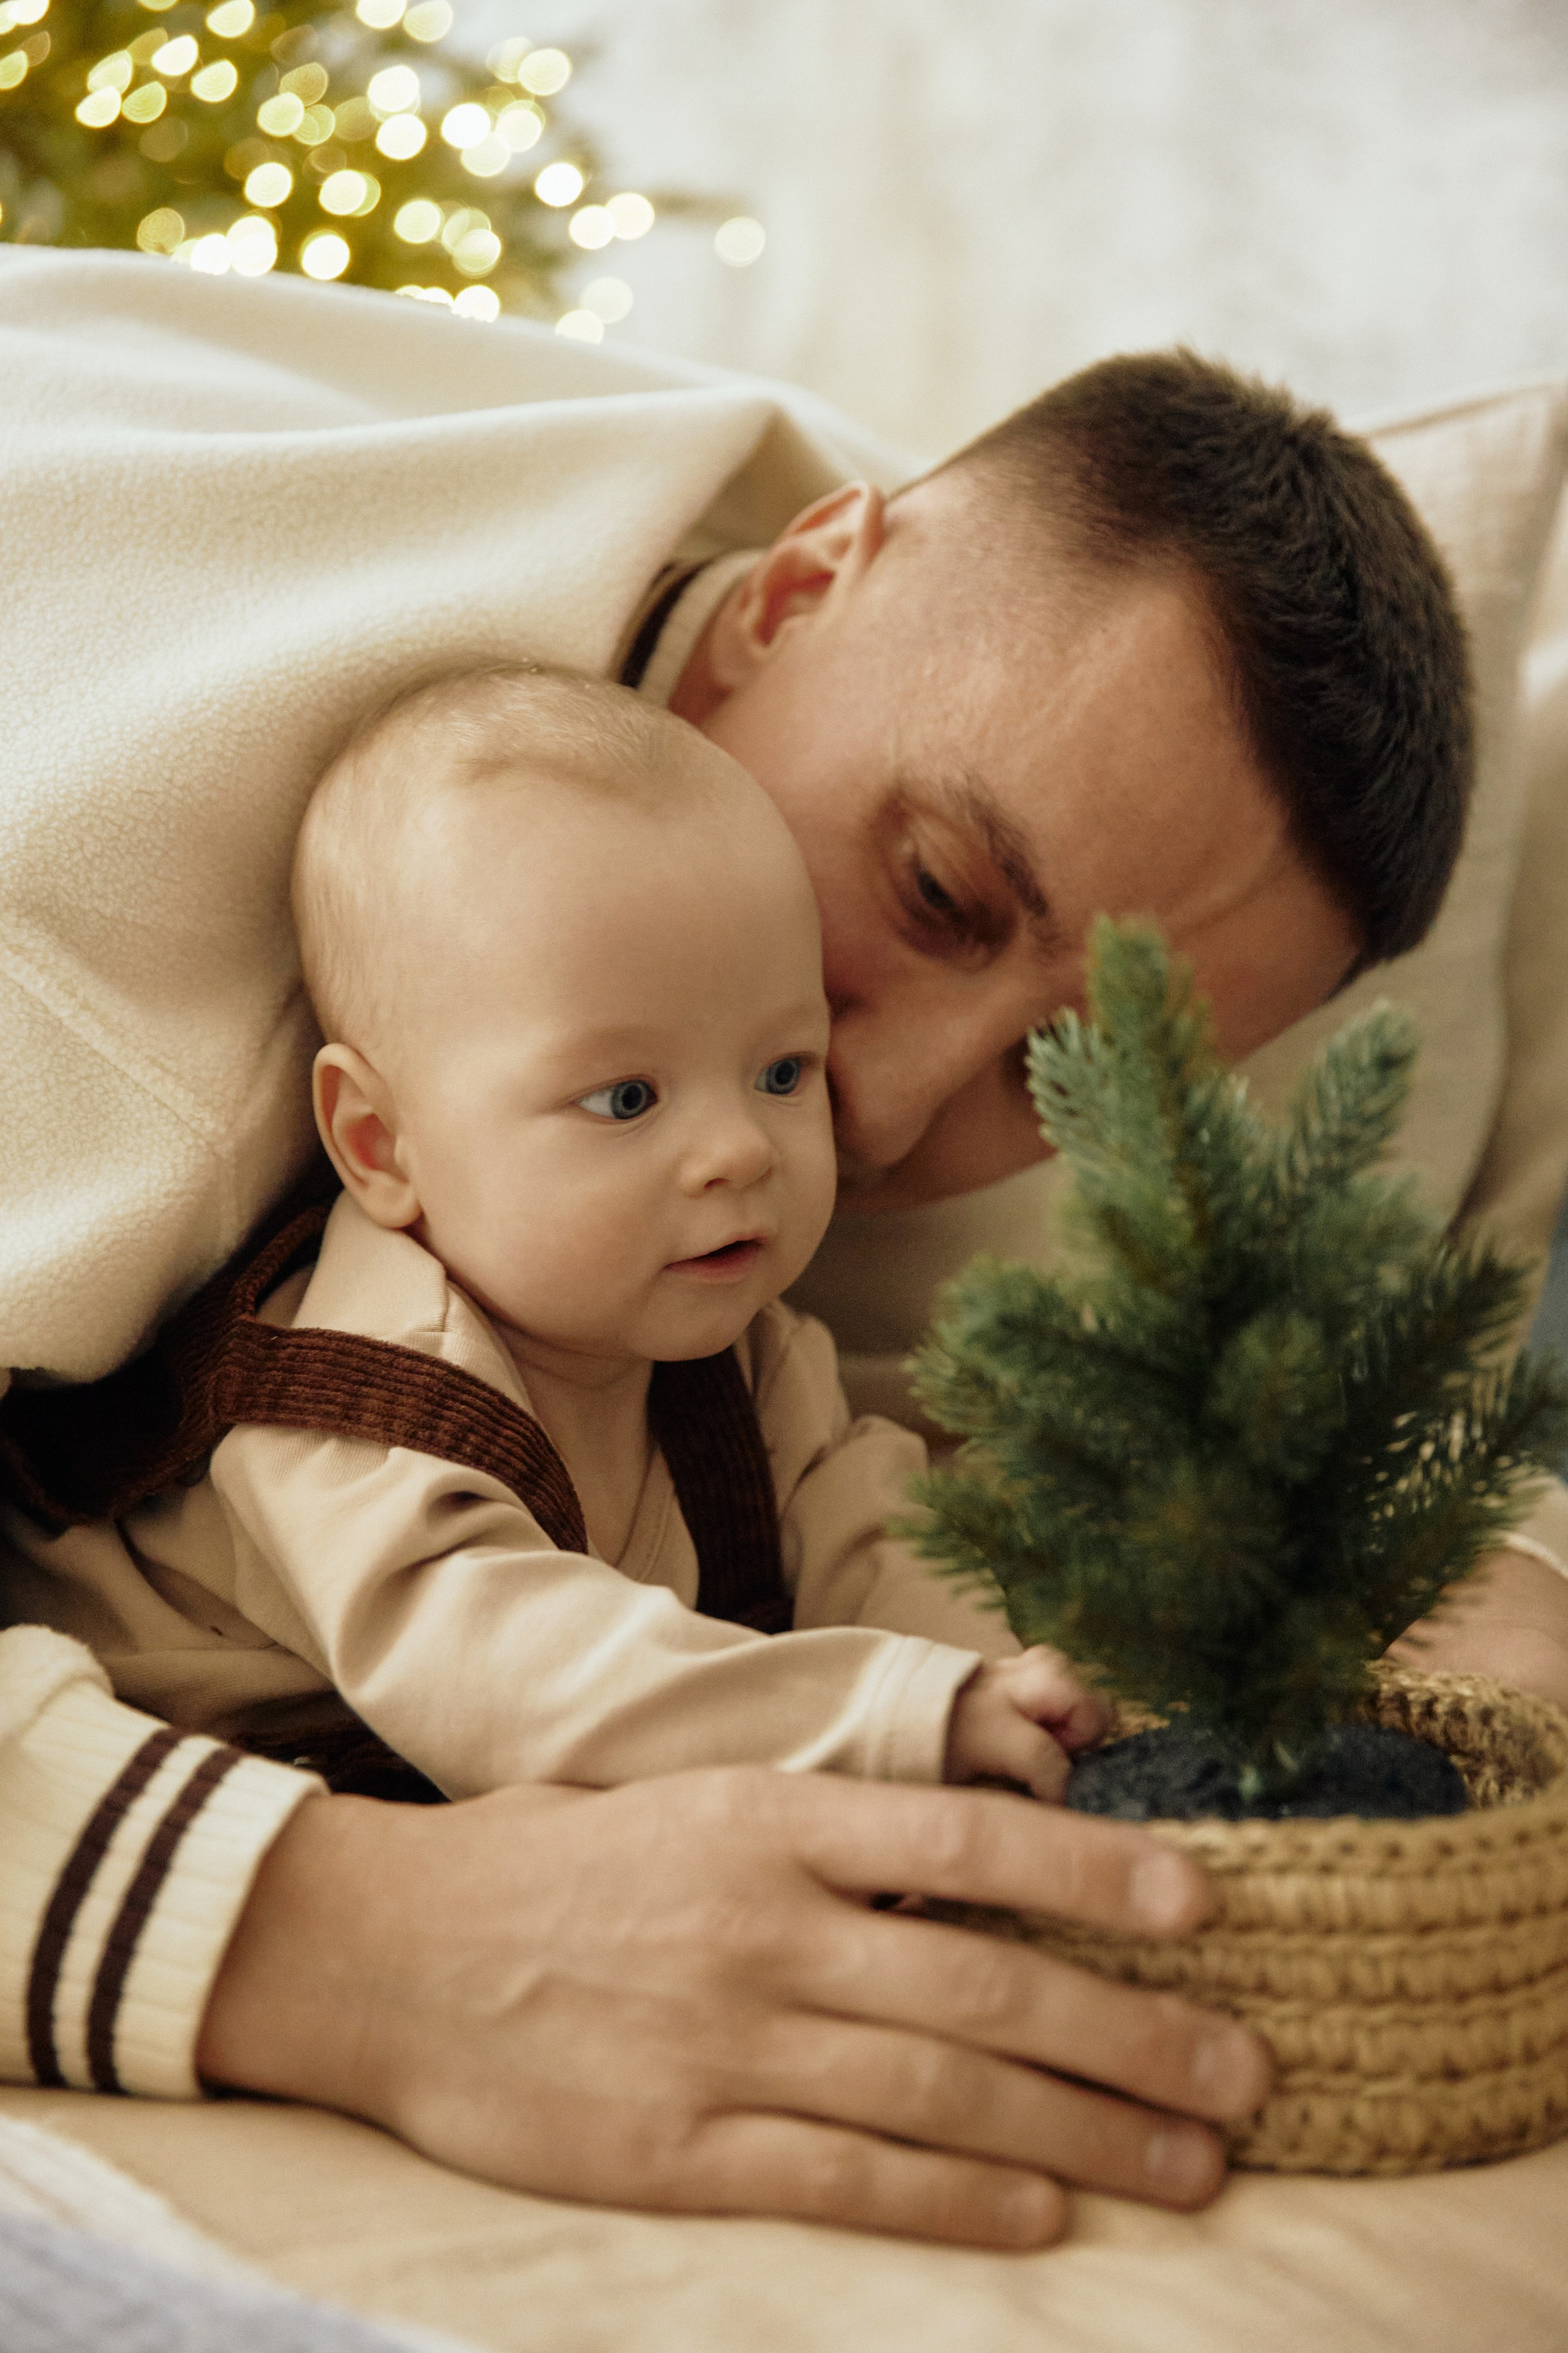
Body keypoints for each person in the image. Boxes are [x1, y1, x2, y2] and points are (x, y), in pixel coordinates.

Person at [2, 256, 1565, 2249]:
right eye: (932, 891)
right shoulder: (98, 943)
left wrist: (1466, 1578)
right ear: (804, 580)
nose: (888, 1110)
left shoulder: (983, 738)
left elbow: (1094, 1410)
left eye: (1060, 1074)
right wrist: (331, 1946)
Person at [10, 667, 1104, 1802]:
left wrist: (986, 1690)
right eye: (627, 1098)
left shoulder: (748, 1354)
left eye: (783, 1070)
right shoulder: (364, 1409)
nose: (742, 1150)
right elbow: (527, 1682)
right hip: (169, 1777)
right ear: (383, 1147)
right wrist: (886, 1714)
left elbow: (872, 1538)